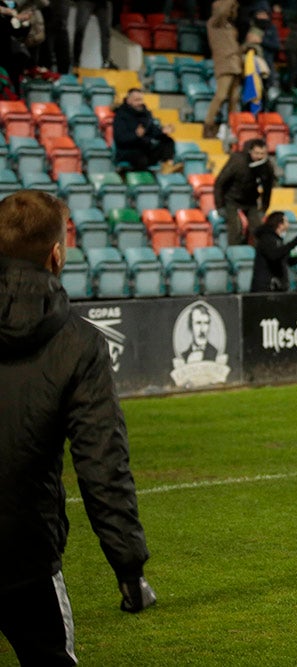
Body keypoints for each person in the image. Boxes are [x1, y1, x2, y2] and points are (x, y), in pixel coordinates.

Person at [0, 190, 156, 666]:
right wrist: (129, 569)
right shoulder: (78, 342)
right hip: (23, 552)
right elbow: (102, 465)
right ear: (56, 253)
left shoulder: (76, 341)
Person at [213, 138, 275, 247]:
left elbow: (268, 189)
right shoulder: (237, 161)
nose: (259, 157)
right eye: (256, 153)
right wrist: (220, 206)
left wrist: (264, 208)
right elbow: (219, 183)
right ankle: (234, 253)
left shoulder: (267, 167)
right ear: (250, 152)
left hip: (251, 201)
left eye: (262, 154)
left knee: (258, 228)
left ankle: (257, 255)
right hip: (231, 199)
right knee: (236, 227)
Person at [112, 88, 182, 174]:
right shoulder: (121, 115)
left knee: (167, 141)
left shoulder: (146, 114)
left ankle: (168, 167)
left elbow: (153, 131)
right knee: (141, 158)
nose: (140, 103)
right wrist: (136, 135)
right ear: (128, 101)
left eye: (141, 100)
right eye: (136, 100)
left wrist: (162, 131)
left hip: (145, 148)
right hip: (129, 151)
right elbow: (120, 139)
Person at [203, 0, 242, 139]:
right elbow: (222, 12)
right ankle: (208, 124)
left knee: (234, 98)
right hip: (224, 63)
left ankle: (232, 126)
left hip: (235, 63)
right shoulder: (214, 23)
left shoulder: (229, 25)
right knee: (221, 95)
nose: (232, 10)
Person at [251, 211, 297, 292]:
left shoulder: (277, 240)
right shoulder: (266, 238)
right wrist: (293, 243)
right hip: (265, 288)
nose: (288, 223)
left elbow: (284, 259)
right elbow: (274, 255)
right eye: (286, 221)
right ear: (280, 224)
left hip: (276, 287)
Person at [72, 0, 112, 68]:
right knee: (80, 28)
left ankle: (106, 61)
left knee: (106, 31)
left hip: (104, 3)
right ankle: (76, 60)